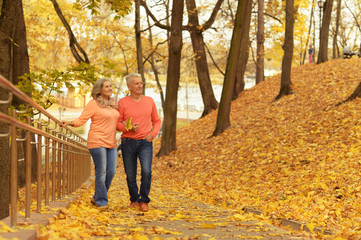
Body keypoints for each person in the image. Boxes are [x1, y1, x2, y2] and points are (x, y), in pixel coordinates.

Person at [61, 78, 119, 208]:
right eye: (107, 86)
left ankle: (97, 197)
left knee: (111, 172)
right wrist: (70, 122)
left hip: (111, 142)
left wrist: (130, 127)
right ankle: (102, 202)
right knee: (102, 171)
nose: (110, 88)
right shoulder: (93, 104)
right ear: (99, 90)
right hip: (97, 141)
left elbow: (117, 124)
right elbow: (82, 119)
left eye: (111, 86)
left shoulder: (112, 104)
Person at [117, 73, 161, 212]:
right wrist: (128, 127)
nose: (140, 85)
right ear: (129, 87)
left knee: (146, 172)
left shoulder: (149, 101)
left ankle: (144, 200)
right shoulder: (123, 102)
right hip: (127, 142)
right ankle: (134, 199)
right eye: (136, 83)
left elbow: (157, 121)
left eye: (141, 83)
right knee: (130, 175)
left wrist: (152, 134)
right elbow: (117, 124)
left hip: (145, 143)